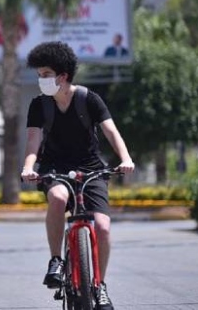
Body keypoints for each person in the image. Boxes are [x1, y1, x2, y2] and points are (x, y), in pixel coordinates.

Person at [21, 41, 134, 310]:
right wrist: (28, 167)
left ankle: (100, 286)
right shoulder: (39, 106)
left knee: (103, 227)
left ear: (63, 75)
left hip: (92, 167)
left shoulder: (89, 99)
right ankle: (56, 260)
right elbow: (33, 143)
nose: (42, 80)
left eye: (46, 74)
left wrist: (126, 159)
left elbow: (111, 132)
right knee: (58, 198)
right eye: (39, 75)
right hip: (54, 167)